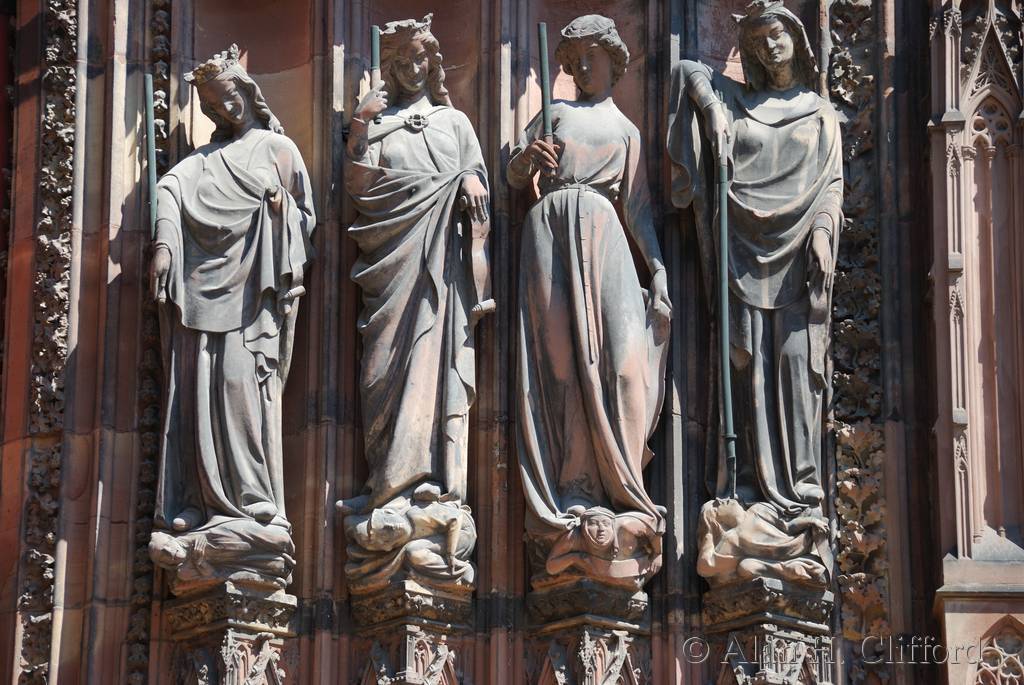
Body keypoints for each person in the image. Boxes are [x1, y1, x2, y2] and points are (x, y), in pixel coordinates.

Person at [510, 14, 671, 585]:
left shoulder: (626, 132)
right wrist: (528, 160)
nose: (581, 66)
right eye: (572, 58)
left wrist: (658, 270)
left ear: (613, 60)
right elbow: (514, 173)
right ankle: (574, 486)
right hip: (548, 231)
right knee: (559, 368)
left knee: (622, 366)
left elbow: (640, 211)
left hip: (604, 237)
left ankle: (624, 486)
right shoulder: (553, 114)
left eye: (591, 56)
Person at [667, 0, 843, 515]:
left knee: (794, 363)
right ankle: (745, 484)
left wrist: (823, 232)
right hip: (741, 251)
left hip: (798, 253)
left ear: (797, 39)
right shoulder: (737, 101)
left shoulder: (818, 111)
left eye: (778, 35)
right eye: (759, 39)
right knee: (746, 364)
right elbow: (685, 69)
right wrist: (711, 108)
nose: (770, 46)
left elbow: (832, 186)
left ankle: (800, 486)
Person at [148, 45, 314, 585]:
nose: (225, 110)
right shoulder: (200, 163)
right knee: (201, 396)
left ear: (247, 92)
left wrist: (280, 210)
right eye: (214, 106)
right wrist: (165, 244)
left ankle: (252, 498)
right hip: (202, 297)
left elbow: (305, 220)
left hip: (254, 301)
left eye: (230, 98)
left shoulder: (278, 149)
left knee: (242, 391)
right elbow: (169, 188)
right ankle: (202, 502)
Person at [340, 15, 489, 585]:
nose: (411, 67)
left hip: (440, 275)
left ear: (434, 63)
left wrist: (471, 183)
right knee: (382, 372)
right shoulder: (376, 126)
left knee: (434, 368)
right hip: (391, 270)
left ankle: (433, 487)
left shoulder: (455, 123)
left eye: (419, 57)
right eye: (399, 61)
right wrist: (360, 125)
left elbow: (477, 186)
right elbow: (358, 189)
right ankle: (387, 483)